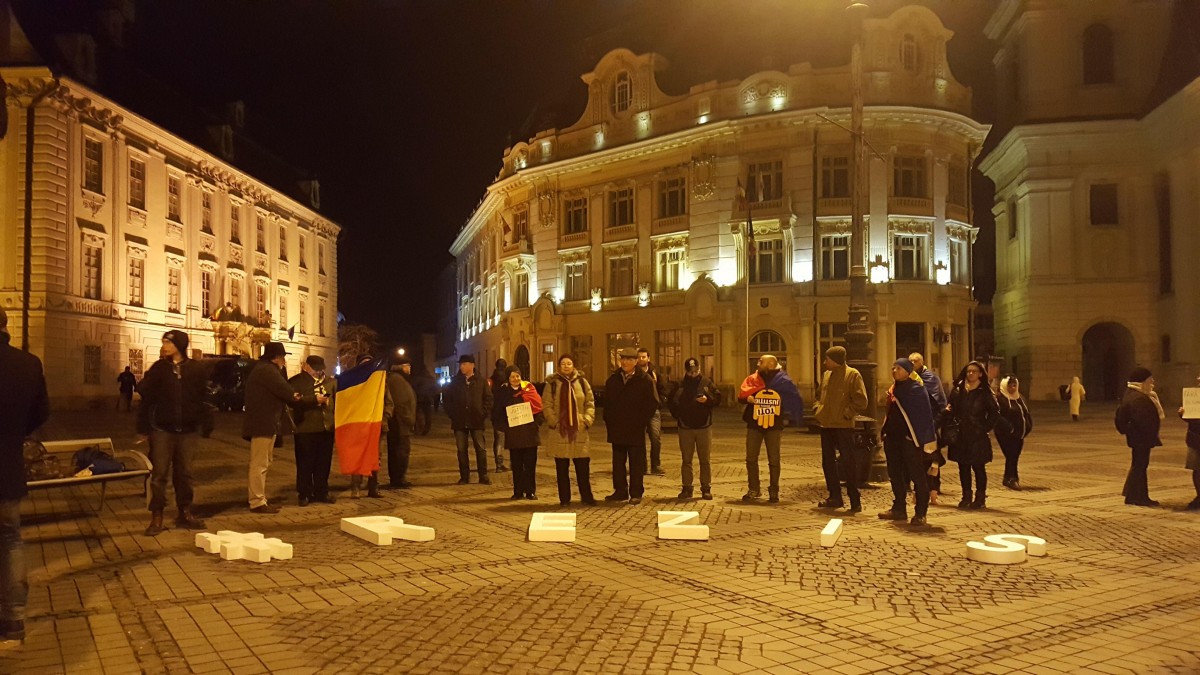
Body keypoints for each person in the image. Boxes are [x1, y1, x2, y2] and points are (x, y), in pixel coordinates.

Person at [0, 307, 49, 642]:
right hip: (7, 466)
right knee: (11, 540)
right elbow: (41, 412)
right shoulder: (28, 364)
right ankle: (14, 617)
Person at [136, 330, 209, 535]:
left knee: (185, 473)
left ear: (179, 345)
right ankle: (156, 515)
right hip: (162, 430)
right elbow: (146, 399)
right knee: (159, 474)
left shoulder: (195, 369)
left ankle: (184, 512)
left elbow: (203, 399)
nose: (164, 346)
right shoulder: (160, 368)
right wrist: (143, 428)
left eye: (168, 342)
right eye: (163, 342)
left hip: (188, 430)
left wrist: (205, 423)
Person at [243, 342, 302, 513]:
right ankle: (257, 501)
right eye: (283, 357)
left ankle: (260, 499)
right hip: (263, 423)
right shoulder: (268, 371)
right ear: (276, 358)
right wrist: (297, 396)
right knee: (259, 463)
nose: (284, 361)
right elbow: (286, 391)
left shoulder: (264, 369)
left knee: (263, 462)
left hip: (265, 422)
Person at [878, 358, 937, 526]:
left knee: (917, 475)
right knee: (895, 474)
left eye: (898, 368)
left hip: (911, 440)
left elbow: (924, 416)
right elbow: (890, 413)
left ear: (907, 371)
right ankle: (899, 509)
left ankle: (920, 513)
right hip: (893, 439)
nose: (894, 371)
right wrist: (884, 431)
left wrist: (917, 437)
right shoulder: (894, 389)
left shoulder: (916, 389)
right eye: (893, 368)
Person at [738, 354, 804, 504]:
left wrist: (787, 411)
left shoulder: (783, 381)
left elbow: (792, 399)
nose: (757, 363)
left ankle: (774, 490)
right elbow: (741, 395)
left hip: (774, 425)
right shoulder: (752, 379)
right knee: (751, 458)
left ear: (770, 364)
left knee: (774, 459)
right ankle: (754, 488)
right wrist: (746, 399)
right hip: (754, 424)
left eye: (761, 362)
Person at [814, 346, 868, 511]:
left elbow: (861, 400)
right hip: (826, 424)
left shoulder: (852, 374)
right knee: (828, 462)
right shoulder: (826, 375)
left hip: (843, 426)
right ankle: (834, 496)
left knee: (848, 462)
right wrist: (818, 409)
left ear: (835, 360)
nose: (825, 362)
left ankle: (854, 498)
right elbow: (818, 396)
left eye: (827, 359)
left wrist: (847, 413)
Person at [604, 348, 659, 504]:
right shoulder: (613, 379)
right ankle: (620, 491)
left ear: (636, 362)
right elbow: (607, 404)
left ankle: (636, 492)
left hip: (635, 428)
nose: (625, 362)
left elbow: (652, 403)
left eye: (629, 360)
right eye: (623, 359)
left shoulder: (645, 380)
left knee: (636, 463)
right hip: (617, 427)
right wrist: (610, 420)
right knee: (618, 463)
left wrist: (641, 420)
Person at [542, 355, 596, 506]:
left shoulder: (582, 383)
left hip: (579, 429)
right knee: (562, 468)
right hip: (560, 430)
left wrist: (586, 420)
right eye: (563, 364)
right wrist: (554, 421)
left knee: (583, 466)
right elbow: (546, 405)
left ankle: (587, 496)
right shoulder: (552, 384)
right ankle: (564, 499)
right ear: (559, 367)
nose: (566, 366)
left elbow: (589, 403)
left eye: (569, 363)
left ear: (574, 366)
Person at [946, 361, 999, 510]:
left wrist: (984, 427)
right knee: (963, 467)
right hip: (961, 435)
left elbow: (994, 412)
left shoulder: (984, 392)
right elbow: (951, 409)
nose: (971, 374)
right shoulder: (958, 390)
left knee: (978, 467)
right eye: (969, 371)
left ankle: (980, 498)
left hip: (977, 436)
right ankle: (966, 497)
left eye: (974, 371)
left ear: (980, 374)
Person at [667, 357, 721, 500]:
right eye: (691, 372)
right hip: (685, 427)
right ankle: (687, 488)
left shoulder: (707, 382)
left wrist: (708, 400)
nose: (693, 374)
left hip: (704, 426)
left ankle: (706, 488)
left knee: (705, 460)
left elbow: (717, 398)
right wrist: (679, 416)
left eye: (696, 371)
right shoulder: (679, 385)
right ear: (686, 371)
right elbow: (671, 402)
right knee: (687, 460)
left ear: (699, 369)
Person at [289, 355, 336, 506]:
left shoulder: (330, 381)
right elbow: (293, 401)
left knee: (324, 463)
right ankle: (304, 493)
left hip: (326, 427)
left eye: (320, 369)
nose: (318, 372)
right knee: (305, 463)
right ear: (306, 366)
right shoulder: (296, 381)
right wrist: (314, 399)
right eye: (315, 369)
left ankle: (322, 491)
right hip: (305, 428)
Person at [1115, 367, 1164, 507]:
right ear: (1142, 381)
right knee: (1140, 467)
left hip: (1138, 438)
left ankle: (1132, 495)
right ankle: (1140, 497)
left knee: (1138, 465)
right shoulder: (1138, 398)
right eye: (1150, 379)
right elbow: (1143, 421)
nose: (1153, 382)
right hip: (1141, 439)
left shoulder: (1132, 394)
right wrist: (1149, 434)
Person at [347, 354, 391, 499]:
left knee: (375, 458)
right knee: (358, 457)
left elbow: (389, 403)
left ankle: (373, 487)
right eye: (363, 363)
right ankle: (356, 487)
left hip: (378, 426)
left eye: (369, 363)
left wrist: (384, 417)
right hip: (359, 426)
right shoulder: (353, 382)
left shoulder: (381, 383)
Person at [444, 355, 493, 484]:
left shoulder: (481, 381)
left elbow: (488, 398)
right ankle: (464, 476)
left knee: (480, 448)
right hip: (459, 420)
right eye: (461, 364)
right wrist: (452, 414)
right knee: (461, 449)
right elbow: (447, 399)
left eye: (464, 364)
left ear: (472, 365)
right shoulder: (455, 381)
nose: (461, 367)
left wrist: (483, 413)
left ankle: (483, 475)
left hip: (476, 420)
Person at [498, 365, 544, 500]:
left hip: (530, 433)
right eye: (512, 376)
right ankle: (517, 491)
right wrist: (504, 426)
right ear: (508, 378)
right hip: (514, 434)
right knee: (517, 465)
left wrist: (537, 422)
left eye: (517, 376)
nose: (515, 379)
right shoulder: (504, 393)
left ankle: (530, 491)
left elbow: (538, 407)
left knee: (530, 464)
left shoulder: (529, 389)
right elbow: (498, 412)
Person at [910, 352, 947, 504]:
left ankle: (933, 493)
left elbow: (938, 401)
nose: (912, 363)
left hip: (931, 426)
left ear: (922, 362)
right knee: (917, 460)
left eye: (915, 361)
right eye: (910, 361)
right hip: (915, 426)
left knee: (933, 461)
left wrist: (935, 422)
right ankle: (917, 492)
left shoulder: (931, 378)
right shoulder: (908, 378)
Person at [995, 375, 1033, 490]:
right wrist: (1008, 428)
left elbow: (1026, 413)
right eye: (1010, 385)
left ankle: (1008, 478)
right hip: (1005, 434)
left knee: (1014, 456)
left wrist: (1029, 425)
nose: (1012, 388)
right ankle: (1013, 479)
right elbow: (997, 416)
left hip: (1019, 434)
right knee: (1011, 455)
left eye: (1014, 385)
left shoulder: (1020, 397)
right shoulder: (1000, 399)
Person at [636, 348, 668, 475]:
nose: (641, 359)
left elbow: (663, 389)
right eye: (639, 357)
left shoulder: (654, 373)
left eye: (644, 357)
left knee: (655, 438)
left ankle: (656, 464)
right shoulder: (634, 373)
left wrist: (659, 403)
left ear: (648, 358)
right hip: (638, 411)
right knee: (639, 440)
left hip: (653, 411)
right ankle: (642, 466)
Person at [385, 358, 417, 488]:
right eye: (407, 365)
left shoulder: (398, 378)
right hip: (400, 424)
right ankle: (398, 478)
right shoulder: (397, 380)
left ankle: (397, 478)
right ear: (400, 366)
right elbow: (400, 403)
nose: (409, 368)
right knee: (401, 451)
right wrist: (408, 419)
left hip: (400, 423)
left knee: (398, 451)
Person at [1178, 369, 1200, 511]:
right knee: (1196, 469)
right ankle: (1199, 496)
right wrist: (1183, 414)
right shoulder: (1194, 395)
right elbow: (1191, 417)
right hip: (1195, 438)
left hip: (1195, 436)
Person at [488, 358, 511, 472]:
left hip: (496, 413)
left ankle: (498, 464)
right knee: (511, 438)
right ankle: (513, 463)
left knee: (498, 440)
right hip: (508, 412)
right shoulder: (507, 380)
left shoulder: (491, 380)